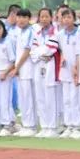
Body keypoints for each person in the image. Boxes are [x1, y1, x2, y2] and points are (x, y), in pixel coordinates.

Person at [30, 8, 60, 138]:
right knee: (40, 97)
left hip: (51, 65)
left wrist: (41, 52)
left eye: (46, 16)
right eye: (41, 17)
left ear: (51, 17)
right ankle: (44, 126)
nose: (44, 19)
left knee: (50, 98)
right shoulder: (37, 33)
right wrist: (41, 54)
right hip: (39, 65)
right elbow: (33, 51)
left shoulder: (55, 32)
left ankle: (52, 127)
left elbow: (51, 48)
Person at [57, 8, 80, 138]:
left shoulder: (79, 33)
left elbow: (79, 53)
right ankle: (69, 125)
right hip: (65, 70)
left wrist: (76, 68)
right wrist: (62, 59)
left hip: (76, 69)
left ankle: (76, 126)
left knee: (74, 98)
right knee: (66, 99)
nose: (66, 20)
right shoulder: (60, 34)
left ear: (74, 18)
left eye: (69, 17)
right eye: (64, 17)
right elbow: (61, 50)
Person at [13, 8, 36, 137]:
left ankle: (30, 126)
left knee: (28, 97)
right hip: (20, 69)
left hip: (27, 68)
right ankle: (26, 124)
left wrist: (17, 67)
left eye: (24, 17)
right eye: (19, 17)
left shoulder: (31, 32)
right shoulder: (19, 32)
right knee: (23, 98)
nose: (21, 20)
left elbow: (27, 51)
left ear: (29, 19)